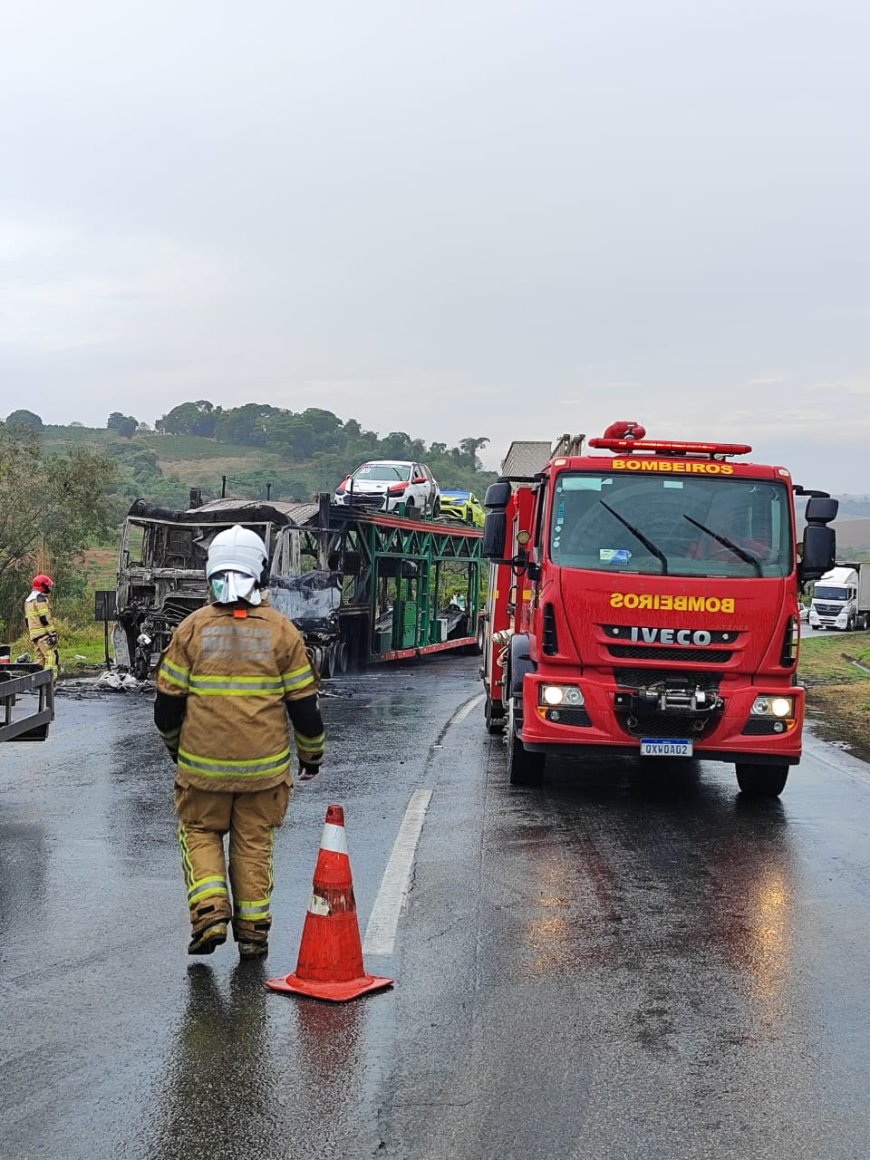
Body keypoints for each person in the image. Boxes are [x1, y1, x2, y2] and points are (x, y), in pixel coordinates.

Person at [153, 525, 325, 958]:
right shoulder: (282, 632)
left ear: (213, 571)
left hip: (202, 771)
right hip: (264, 773)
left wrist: (178, 749)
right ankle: (253, 934)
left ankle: (210, 913)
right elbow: (304, 706)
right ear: (259, 572)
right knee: (255, 843)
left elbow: (167, 706)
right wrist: (312, 754)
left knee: (200, 831)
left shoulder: (191, 629)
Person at [24, 574, 59, 676]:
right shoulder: (40, 599)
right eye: (48, 585)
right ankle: (50, 679)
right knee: (51, 655)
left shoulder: (28, 600)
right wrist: (52, 633)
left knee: (39, 659)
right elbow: (45, 618)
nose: (49, 588)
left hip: (34, 635)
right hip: (43, 634)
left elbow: (27, 620)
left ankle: (38, 682)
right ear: (42, 586)